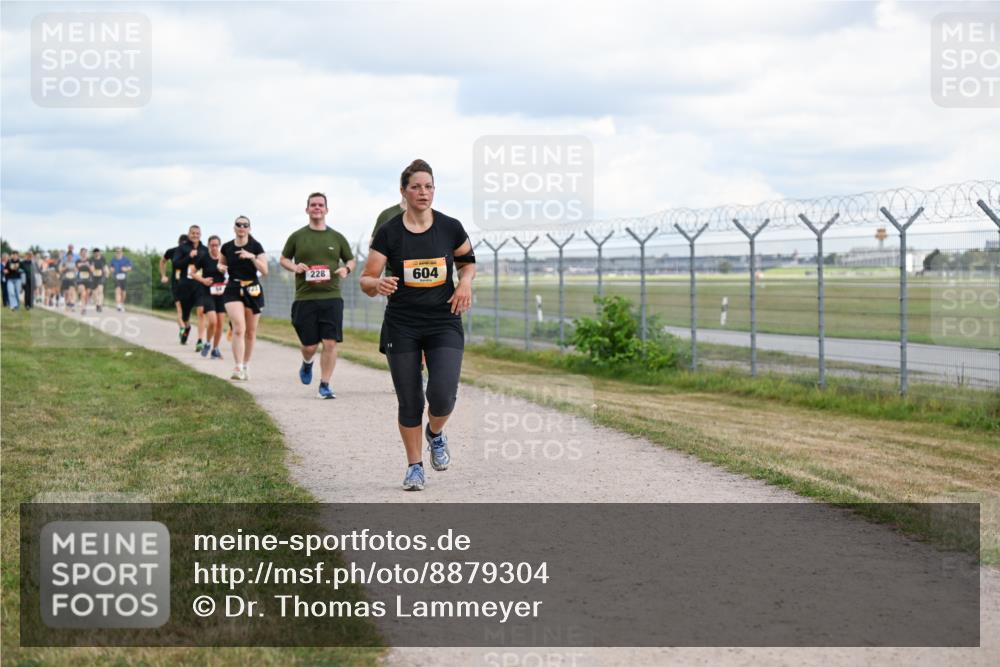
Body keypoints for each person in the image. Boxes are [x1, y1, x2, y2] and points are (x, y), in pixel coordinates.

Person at [360, 159, 475, 490]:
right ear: (403, 191)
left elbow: (467, 262)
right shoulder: (389, 232)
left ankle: (435, 433)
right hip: (403, 324)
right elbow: (367, 278)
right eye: (416, 187)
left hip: (443, 320)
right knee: (410, 400)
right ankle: (414, 467)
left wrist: (465, 282)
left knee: (442, 395)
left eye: (428, 186)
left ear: (434, 190)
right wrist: (376, 284)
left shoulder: (450, 227)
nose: (423, 192)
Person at [280, 193, 356, 399]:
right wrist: (295, 267)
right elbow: (283, 259)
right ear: (307, 210)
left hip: (331, 296)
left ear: (326, 209)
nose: (317, 208)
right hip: (305, 298)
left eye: (320, 205)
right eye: (313, 205)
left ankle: (325, 384)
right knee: (309, 346)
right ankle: (307, 363)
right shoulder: (298, 236)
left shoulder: (337, 237)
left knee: (330, 342)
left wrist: (345, 270)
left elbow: (350, 260)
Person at [218, 216, 267, 380]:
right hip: (233, 287)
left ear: (249, 229)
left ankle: (246, 364)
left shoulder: (256, 246)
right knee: (239, 328)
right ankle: (238, 367)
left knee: (251, 332)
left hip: (252, 288)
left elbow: (265, 270)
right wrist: (220, 267)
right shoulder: (226, 247)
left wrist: (252, 257)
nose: (242, 227)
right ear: (234, 228)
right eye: (239, 225)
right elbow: (220, 264)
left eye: (245, 225)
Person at [172, 226, 209, 347]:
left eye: (197, 233)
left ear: (201, 234)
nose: (195, 235)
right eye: (193, 233)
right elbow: (176, 263)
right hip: (185, 286)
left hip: (200, 286)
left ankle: (200, 340)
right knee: (185, 317)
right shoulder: (182, 248)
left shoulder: (204, 249)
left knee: (201, 312)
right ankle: (186, 329)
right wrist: (189, 256)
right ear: (189, 234)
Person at [194, 234, 228, 360]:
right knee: (212, 321)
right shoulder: (204, 258)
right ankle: (208, 343)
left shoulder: (225, 258)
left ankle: (215, 349)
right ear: (208, 246)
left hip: (222, 294)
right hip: (208, 293)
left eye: (216, 245)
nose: (214, 248)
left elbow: (231, 272)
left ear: (219, 246)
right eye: (212, 245)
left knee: (220, 323)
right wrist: (203, 280)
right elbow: (192, 272)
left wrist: (226, 272)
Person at [160, 234, 189, 338]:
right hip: (177, 285)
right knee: (180, 309)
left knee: (186, 312)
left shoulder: (194, 252)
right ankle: (182, 327)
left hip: (190, 286)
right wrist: (163, 275)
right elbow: (163, 261)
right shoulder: (172, 251)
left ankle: (186, 327)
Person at [89, 248, 107, 312]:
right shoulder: (91, 259)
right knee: (94, 293)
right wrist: (92, 269)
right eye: (95, 253)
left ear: (99, 253)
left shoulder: (103, 258)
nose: (97, 253)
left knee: (100, 290)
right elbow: (91, 267)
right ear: (94, 253)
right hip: (94, 277)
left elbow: (105, 266)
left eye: (98, 252)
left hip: (101, 276)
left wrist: (106, 272)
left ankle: (100, 305)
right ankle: (97, 304)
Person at [75, 248, 92, 314]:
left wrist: (88, 266)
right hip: (80, 279)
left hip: (88, 279)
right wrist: (84, 264)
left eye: (85, 252)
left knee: (87, 294)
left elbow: (92, 270)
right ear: (80, 253)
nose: (84, 254)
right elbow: (77, 268)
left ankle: (85, 305)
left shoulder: (90, 261)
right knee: (83, 293)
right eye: (82, 252)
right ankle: (83, 308)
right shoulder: (77, 261)